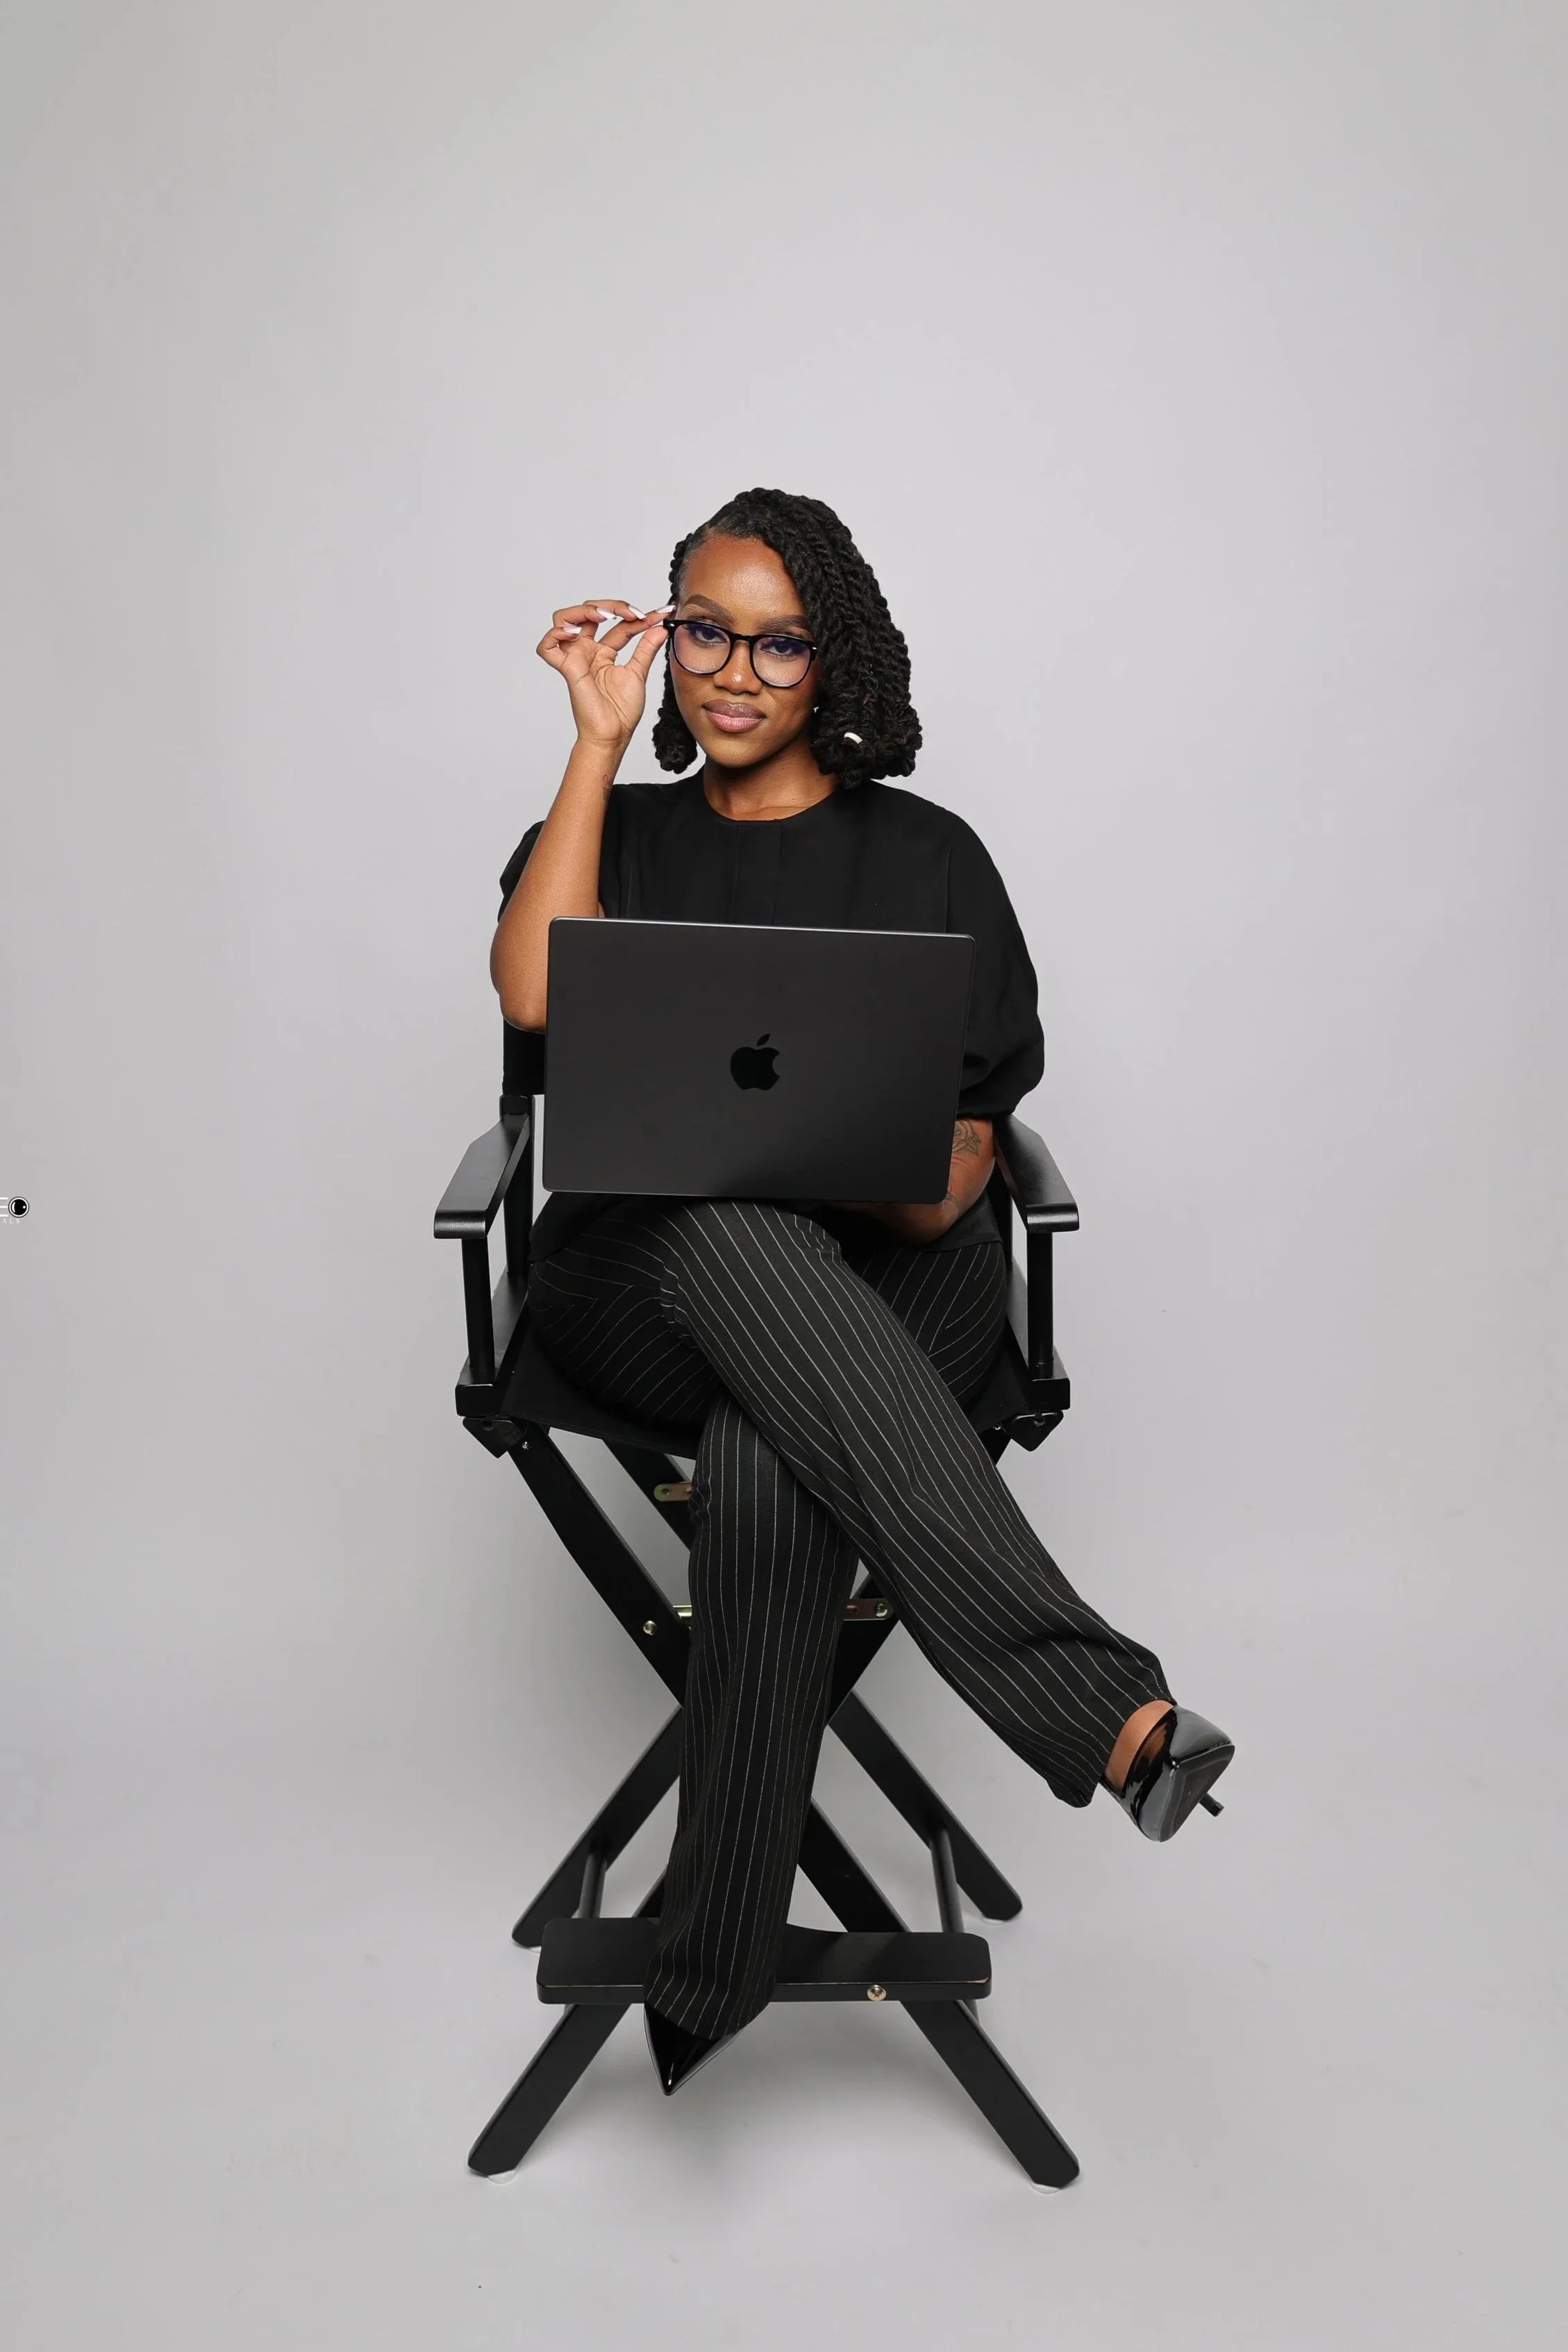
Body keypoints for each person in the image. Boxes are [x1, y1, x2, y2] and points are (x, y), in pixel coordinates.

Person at [490, 487, 1233, 2094]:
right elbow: (536, 997)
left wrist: (833, 1156)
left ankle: (707, 1965)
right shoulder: (617, 831)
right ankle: (1105, 1713)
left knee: (771, 1444)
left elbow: (961, 1162)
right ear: (663, 634)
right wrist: (593, 746)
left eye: (778, 643)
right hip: (642, 1281)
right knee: (724, 1234)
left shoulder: (928, 854)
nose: (732, 672)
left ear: (833, 659)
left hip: (898, 1277)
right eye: (704, 631)